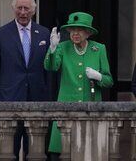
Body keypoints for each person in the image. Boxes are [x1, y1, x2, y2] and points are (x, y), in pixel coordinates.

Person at [0, 0, 51, 160]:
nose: (23, 12)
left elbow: (49, 71)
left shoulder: (45, 34)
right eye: (19, 8)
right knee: (8, 154)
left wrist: (50, 101)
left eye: (27, 8)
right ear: (13, 9)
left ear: (34, 10)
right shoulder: (0, 35)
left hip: (38, 103)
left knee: (37, 154)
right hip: (9, 102)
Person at [44, 11, 113, 160]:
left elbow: (109, 81)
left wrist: (99, 76)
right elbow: (50, 67)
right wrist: (53, 49)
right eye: (72, 30)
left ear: (88, 33)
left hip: (91, 111)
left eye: (79, 30)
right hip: (65, 109)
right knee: (63, 153)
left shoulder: (99, 49)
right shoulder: (63, 47)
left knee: (90, 153)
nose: (75, 33)